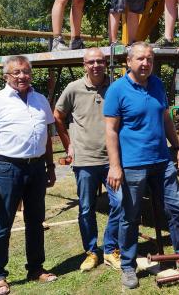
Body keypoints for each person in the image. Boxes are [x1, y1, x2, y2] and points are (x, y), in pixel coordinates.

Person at [103, 42, 179, 289]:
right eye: (140, 59)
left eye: (149, 59)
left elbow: (165, 118)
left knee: (177, 207)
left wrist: (178, 148)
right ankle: (128, 265)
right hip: (132, 165)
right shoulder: (117, 90)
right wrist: (115, 166)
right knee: (130, 216)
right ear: (128, 62)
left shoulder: (157, 84)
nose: (145, 63)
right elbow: (111, 130)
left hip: (162, 161)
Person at [0, 56, 57, 295]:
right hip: (8, 169)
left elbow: (47, 136)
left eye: (26, 72)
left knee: (35, 220)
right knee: (4, 222)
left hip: (37, 168)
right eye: (16, 72)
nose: (22, 76)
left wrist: (50, 167)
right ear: (6, 76)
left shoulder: (40, 99)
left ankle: (36, 269)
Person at [53, 48, 122, 272]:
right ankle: (92, 251)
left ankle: (110, 249)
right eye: (91, 62)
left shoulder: (116, 87)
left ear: (105, 64)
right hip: (84, 161)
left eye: (100, 61)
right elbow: (58, 116)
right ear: (84, 65)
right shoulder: (73, 89)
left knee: (119, 203)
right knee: (86, 208)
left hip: (111, 160)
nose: (96, 65)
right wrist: (69, 145)